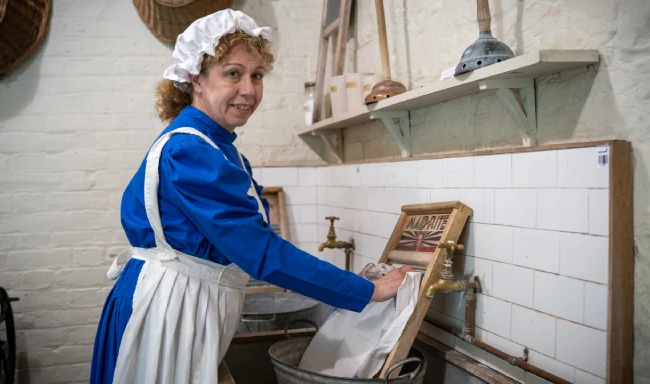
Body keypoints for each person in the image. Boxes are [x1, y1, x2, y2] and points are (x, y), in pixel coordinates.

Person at [90, 9, 414, 384]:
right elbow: (259, 251)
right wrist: (366, 290)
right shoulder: (190, 151)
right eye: (233, 74)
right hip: (170, 309)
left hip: (185, 305)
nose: (249, 89)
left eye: (256, 75)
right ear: (196, 78)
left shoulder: (220, 147)